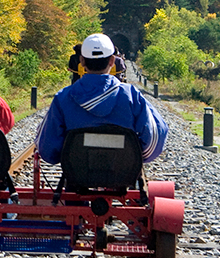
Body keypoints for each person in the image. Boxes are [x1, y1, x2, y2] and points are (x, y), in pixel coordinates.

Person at [37, 33, 167, 165]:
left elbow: (46, 147)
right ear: (112, 61)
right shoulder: (132, 95)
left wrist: (62, 156)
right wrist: (138, 156)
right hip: (122, 172)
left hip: (77, 174)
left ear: (82, 61)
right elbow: (156, 135)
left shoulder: (63, 97)